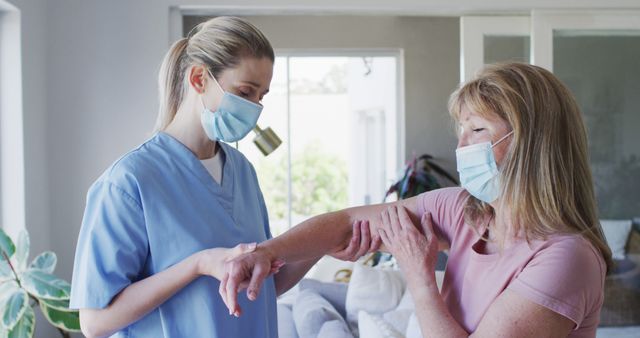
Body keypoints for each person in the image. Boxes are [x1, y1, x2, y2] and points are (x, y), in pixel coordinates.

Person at [220, 62, 613, 337]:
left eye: (477, 129)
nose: (460, 146)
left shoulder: (565, 258)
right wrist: (266, 253)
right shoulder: (462, 212)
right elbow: (346, 222)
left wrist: (419, 276)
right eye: (461, 130)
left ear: (532, 144)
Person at [69, 16, 364, 338]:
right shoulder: (129, 181)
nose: (254, 107)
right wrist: (197, 264)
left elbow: (261, 286)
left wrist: (321, 244)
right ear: (199, 78)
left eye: (261, 96)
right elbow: (94, 322)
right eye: (245, 91)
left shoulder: (241, 170)